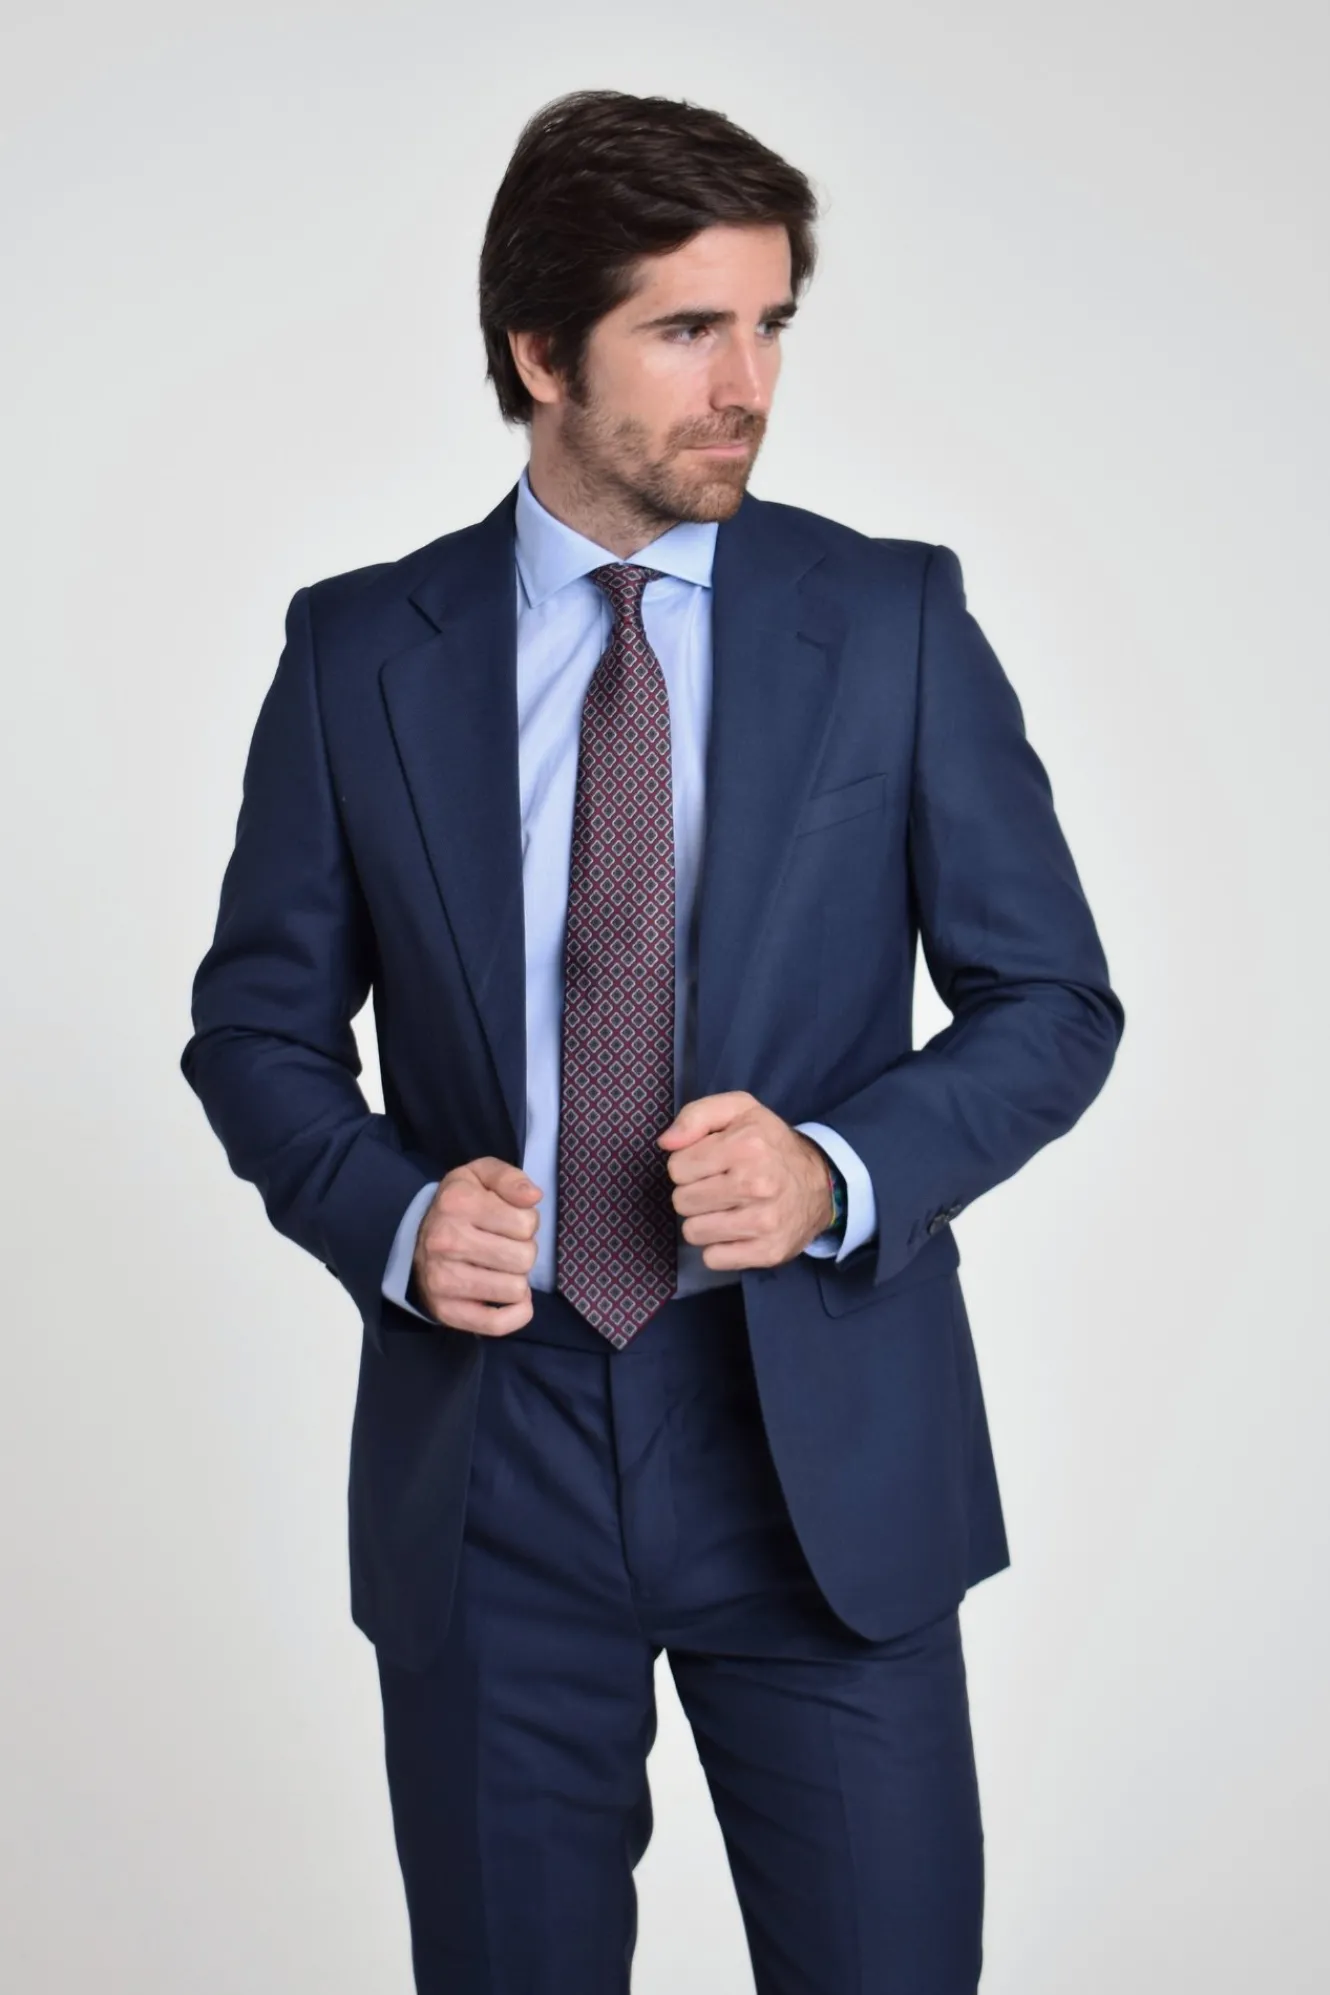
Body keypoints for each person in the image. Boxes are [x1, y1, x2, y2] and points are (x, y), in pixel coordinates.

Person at [181, 87, 1124, 1995]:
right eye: (687, 329)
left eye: (769, 324)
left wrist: (838, 1170)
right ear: (541, 352)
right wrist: (391, 1212)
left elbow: (1051, 1001)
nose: (746, 384)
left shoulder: (890, 622)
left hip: (815, 1445)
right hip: (496, 1448)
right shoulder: (359, 652)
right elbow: (255, 1028)